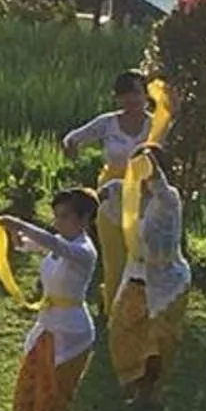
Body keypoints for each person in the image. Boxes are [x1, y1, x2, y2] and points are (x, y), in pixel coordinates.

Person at [0, 189, 99, 411]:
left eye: (65, 216)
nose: (58, 222)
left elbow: (52, 243)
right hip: (47, 328)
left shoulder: (84, 251)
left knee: (52, 400)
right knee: (28, 393)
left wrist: (18, 223)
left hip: (73, 335)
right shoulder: (58, 245)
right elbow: (32, 245)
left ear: (85, 218)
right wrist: (14, 236)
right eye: (56, 216)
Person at [64, 69, 155, 312]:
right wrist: (70, 146)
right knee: (114, 259)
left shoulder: (155, 124)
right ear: (117, 98)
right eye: (125, 95)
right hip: (110, 196)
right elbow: (74, 137)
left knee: (139, 256)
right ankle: (114, 309)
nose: (131, 100)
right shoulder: (108, 123)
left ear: (146, 95)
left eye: (136, 93)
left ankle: (139, 309)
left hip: (145, 196)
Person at [110, 146, 191, 408]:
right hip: (136, 277)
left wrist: (149, 164)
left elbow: (158, 182)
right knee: (122, 334)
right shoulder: (130, 198)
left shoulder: (168, 199)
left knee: (157, 341)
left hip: (167, 284)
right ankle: (137, 386)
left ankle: (150, 393)